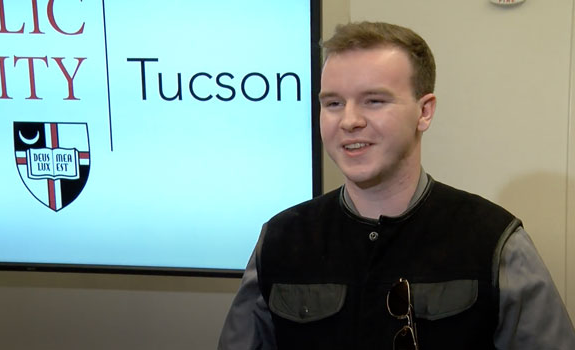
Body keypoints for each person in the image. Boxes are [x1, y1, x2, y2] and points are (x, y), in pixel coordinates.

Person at [218, 21, 575, 349]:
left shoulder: (496, 240)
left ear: (425, 112)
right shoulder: (281, 239)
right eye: (333, 103)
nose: (349, 121)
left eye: (374, 101)